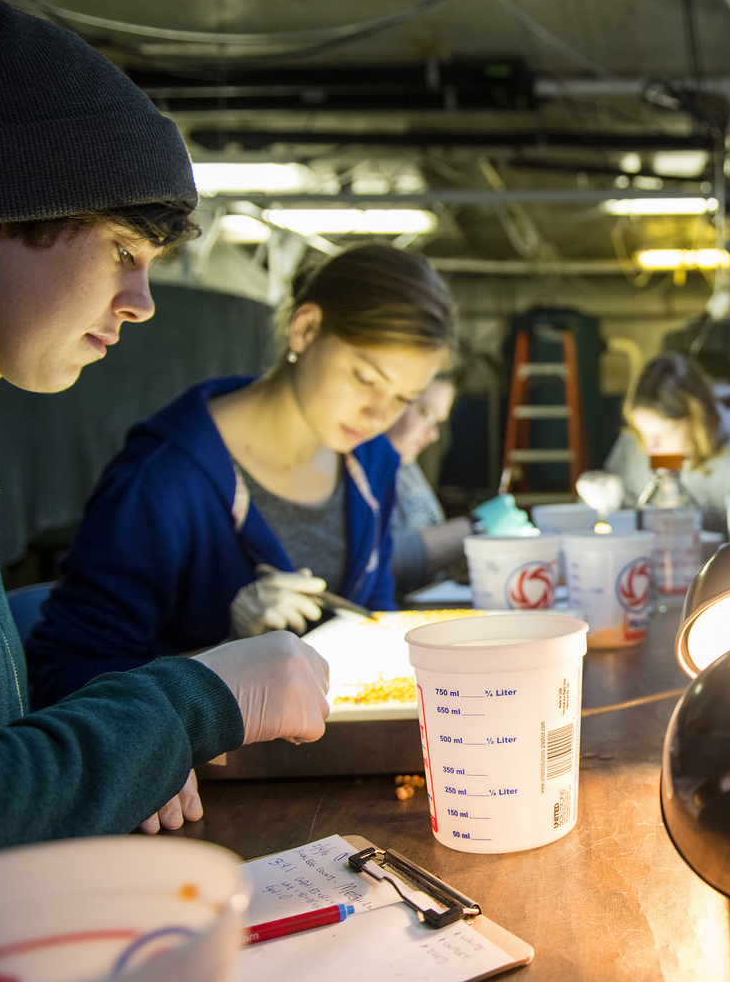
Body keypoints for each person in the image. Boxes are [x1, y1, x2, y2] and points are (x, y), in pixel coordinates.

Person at [0, 0, 330, 858]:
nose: (142, 303)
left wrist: (121, 753)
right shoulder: (165, 468)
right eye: (124, 252)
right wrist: (189, 702)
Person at [26, 244, 456, 708]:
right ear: (306, 329)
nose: (378, 414)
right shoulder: (163, 481)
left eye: (402, 398)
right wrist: (221, 659)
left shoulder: (372, 462)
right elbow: (63, 680)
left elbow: (374, 615)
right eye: (366, 379)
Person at [600, 350, 730, 533]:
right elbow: (615, 520)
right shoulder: (633, 448)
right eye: (641, 433)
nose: (650, 448)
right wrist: (602, 502)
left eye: (663, 434)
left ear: (697, 421)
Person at [384, 373, 478, 595]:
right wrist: (477, 526)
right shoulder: (364, 468)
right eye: (426, 414)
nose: (433, 435)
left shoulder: (406, 465)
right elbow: (380, 560)